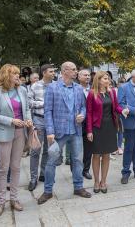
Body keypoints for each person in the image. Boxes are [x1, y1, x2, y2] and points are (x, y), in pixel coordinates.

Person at [37, 62, 91, 205]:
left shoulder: (79, 88)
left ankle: (78, 187)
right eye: (73, 70)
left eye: (76, 69)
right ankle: (48, 190)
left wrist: (82, 115)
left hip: (76, 130)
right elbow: (47, 111)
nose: (76, 72)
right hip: (58, 132)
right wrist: (50, 131)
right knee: (51, 161)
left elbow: (83, 107)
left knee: (78, 160)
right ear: (65, 71)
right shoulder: (52, 88)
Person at [0, 64, 33, 217]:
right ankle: (1, 202)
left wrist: (27, 119)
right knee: (3, 168)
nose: (17, 76)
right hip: (4, 133)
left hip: (20, 133)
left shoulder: (22, 90)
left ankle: (14, 199)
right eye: (14, 74)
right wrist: (11, 121)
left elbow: (27, 108)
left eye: (17, 73)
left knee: (16, 167)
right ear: (6, 75)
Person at [86, 71, 129, 193]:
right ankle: (96, 181)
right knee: (96, 155)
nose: (108, 81)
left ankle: (103, 181)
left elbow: (116, 107)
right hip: (97, 127)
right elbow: (88, 113)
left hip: (110, 126)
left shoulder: (111, 92)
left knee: (106, 155)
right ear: (98, 80)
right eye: (105, 78)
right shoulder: (91, 94)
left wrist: (123, 111)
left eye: (108, 79)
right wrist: (89, 130)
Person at [27, 64, 55, 191]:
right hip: (38, 120)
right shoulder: (35, 86)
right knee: (35, 150)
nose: (53, 73)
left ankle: (43, 174)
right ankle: (33, 178)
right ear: (44, 73)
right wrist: (44, 104)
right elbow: (29, 103)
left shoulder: (56, 85)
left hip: (52, 122)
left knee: (48, 150)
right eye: (51, 71)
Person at [77, 69, 93, 180]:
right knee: (76, 149)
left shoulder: (93, 89)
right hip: (77, 122)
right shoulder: (74, 88)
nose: (87, 77)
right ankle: (76, 170)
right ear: (79, 77)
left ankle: (86, 170)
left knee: (88, 148)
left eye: (88, 75)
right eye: (85, 75)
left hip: (90, 123)